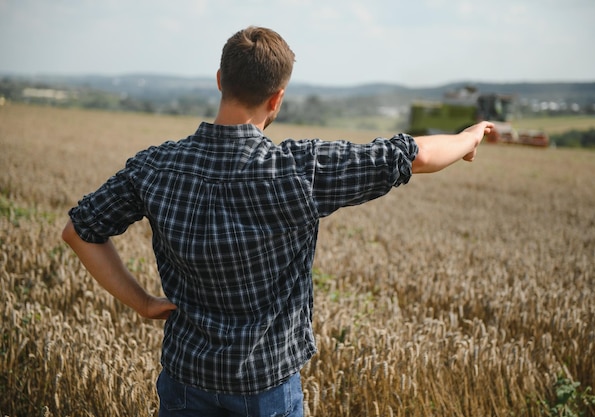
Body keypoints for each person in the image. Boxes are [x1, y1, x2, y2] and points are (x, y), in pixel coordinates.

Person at [62, 26, 494, 417]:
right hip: (266, 387)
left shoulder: (154, 167)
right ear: (277, 98)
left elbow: (79, 231)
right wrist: (468, 137)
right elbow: (413, 155)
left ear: (219, 81)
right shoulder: (298, 170)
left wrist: (141, 302)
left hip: (185, 378)